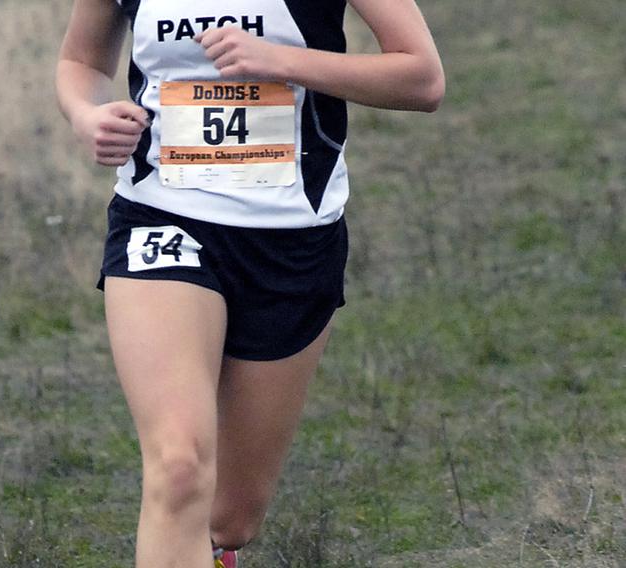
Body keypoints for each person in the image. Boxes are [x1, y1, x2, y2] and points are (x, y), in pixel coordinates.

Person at [56, 0, 444, 565]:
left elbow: (422, 77)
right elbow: (80, 61)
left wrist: (282, 60)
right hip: (161, 216)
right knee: (179, 466)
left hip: (292, 240)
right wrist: (86, 115)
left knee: (231, 518)